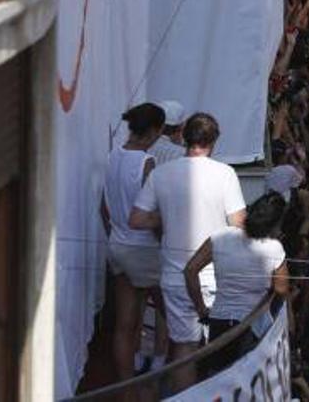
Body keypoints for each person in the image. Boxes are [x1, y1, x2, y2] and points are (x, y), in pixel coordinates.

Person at [129, 112, 247, 386]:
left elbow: (136, 219)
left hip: (174, 274)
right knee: (220, 347)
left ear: (183, 137)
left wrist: (167, 217)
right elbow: (239, 224)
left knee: (184, 347)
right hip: (215, 275)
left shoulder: (161, 173)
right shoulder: (225, 174)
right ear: (213, 141)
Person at [183, 191, 290, 375]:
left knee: (218, 381)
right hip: (252, 329)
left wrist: (201, 309)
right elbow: (281, 288)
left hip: (219, 323)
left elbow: (190, 270)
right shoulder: (274, 249)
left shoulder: (221, 236)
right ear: (275, 224)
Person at [100, 102, 166, 388]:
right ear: (153, 130)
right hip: (144, 248)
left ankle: (125, 386)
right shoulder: (147, 163)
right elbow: (153, 211)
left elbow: (104, 206)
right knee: (171, 314)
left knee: (125, 323)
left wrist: (116, 232)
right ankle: (160, 373)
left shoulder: (113, 154)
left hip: (117, 244)